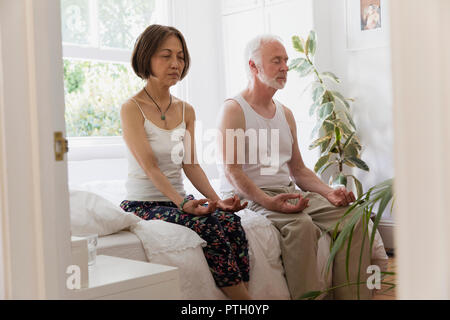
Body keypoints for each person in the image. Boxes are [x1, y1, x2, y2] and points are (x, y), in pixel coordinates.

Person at [217, 34, 372, 300]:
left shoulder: (285, 113)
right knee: (301, 228)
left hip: (286, 190)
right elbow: (232, 171)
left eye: (286, 60)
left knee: (354, 218)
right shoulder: (233, 109)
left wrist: (327, 191)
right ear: (253, 66)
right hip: (249, 196)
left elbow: (298, 170)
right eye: (276, 61)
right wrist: (269, 202)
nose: (285, 67)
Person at [119, 24, 251, 300]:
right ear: (146, 57)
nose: (175, 63)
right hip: (144, 204)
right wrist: (181, 204)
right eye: (165, 55)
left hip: (179, 200)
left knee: (231, 222)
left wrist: (218, 200)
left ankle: (241, 295)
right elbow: (150, 166)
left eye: (180, 56)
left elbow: (190, 164)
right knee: (209, 228)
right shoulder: (132, 108)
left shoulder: (185, 110)